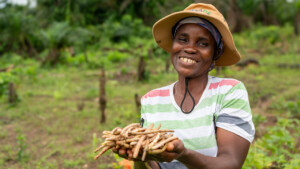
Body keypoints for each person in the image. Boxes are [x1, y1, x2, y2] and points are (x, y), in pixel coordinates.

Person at [114, 3, 255, 169]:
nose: (189, 48)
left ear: (215, 53)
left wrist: (184, 155)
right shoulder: (152, 100)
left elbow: (231, 163)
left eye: (202, 43)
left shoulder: (228, 92)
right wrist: (138, 156)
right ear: (173, 45)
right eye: (182, 39)